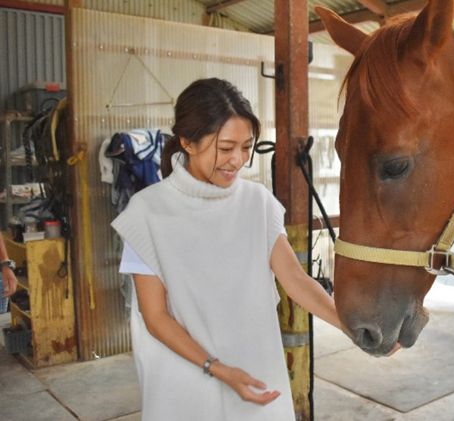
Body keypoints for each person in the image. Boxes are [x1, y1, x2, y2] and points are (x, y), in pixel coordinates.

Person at [111, 78, 342, 420]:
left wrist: (349, 324)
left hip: (255, 372)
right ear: (187, 142)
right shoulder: (147, 213)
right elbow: (156, 318)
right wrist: (219, 369)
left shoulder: (257, 202)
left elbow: (294, 279)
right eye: (226, 147)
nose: (237, 160)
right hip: (186, 380)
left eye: (246, 147)